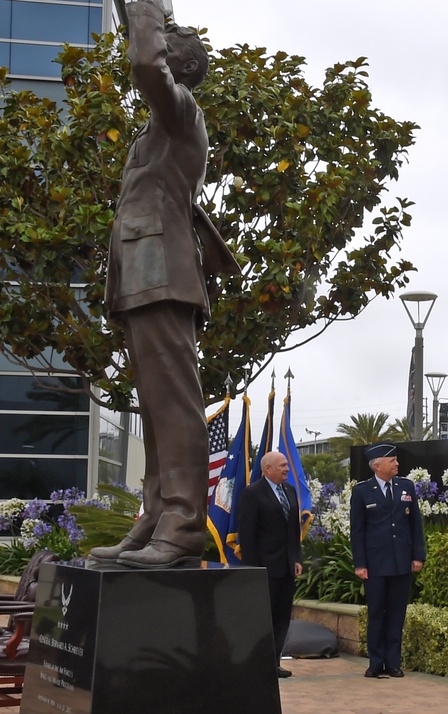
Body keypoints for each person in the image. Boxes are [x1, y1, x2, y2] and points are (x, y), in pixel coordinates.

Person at [89, 0, 238, 568]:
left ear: (182, 62)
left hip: (164, 276)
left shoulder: (181, 113)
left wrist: (147, 8)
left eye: (166, 37)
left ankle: (180, 526)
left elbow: (146, 65)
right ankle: (155, 516)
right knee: (155, 405)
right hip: (143, 276)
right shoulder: (159, 128)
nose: (154, 40)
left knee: (174, 405)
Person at [350, 442, 425, 678]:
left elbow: (416, 525)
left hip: (401, 562)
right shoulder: (362, 491)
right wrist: (360, 564)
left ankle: (393, 663)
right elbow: (358, 530)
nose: (397, 464)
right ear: (377, 465)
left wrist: (417, 556)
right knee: (376, 613)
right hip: (375, 565)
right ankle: (375, 662)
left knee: (396, 614)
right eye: (392, 461)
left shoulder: (406, 487)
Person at [237, 451, 304, 679]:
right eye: (283, 465)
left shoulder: (290, 491)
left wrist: (296, 558)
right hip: (264, 568)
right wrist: (253, 569)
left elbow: (293, 531)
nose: (287, 469)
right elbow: (247, 535)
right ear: (268, 469)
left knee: (281, 618)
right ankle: (257, 662)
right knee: (262, 618)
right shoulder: (252, 493)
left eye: (286, 465)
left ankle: (273, 663)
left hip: (286, 568)